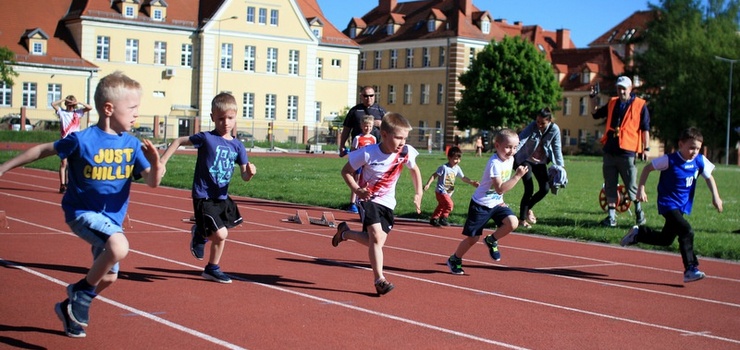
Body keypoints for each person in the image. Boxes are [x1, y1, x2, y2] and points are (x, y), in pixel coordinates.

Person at [0, 71, 165, 338]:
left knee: (109, 277)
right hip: (82, 213)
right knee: (119, 246)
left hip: (111, 220)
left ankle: (68, 307)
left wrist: (156, 164)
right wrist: (4, 167)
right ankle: (82, 293)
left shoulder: (133, 145)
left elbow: (152, 182)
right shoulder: (82, 139)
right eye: (132, 108)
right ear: (109, 109)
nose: (137, 114)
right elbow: (43, 150)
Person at [160, 92, 256, 284]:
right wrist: (163, 161)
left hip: (221, 197)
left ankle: (212, 267)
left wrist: (250, 173)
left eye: (230, 118)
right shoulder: (206, 138)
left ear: (236, 117)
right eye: (221, 118)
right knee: (221, 233)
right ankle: (200, 234)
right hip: (203, 195)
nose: (226, 123)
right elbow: (179, 141)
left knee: (222, 235)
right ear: (212, 117)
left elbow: (244, 176)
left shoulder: (238, 146)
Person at [332, 112, 423, 296]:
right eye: (398, 138)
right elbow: (346, 171)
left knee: (377, 241)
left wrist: (418, 192)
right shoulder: (367, 153)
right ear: (384, 135)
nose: (402, 142)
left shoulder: (406, 152)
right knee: (375, 236)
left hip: (388, 203)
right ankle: (379, 279)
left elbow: (415, 170)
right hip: (368, 199)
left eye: (405, 138)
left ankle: (345, 233)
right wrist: (357, 190)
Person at [620, 127, 722, 283]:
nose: (694, 151)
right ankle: (690, 268)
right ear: (681, 144)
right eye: (691, 147)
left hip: (682, 206)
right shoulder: (669, 160)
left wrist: (716, 197)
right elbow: (647, 168)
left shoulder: (699, 160)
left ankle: (638, 234)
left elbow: (709, 177)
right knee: (687, 231)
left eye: (698, 148)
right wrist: (641, 189)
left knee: (665, 239)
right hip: (668, 204)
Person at [446, 129, 528, 275]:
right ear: (497, 146)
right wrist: (517, 177)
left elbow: (499, 191)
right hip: (480, 205)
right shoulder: (494, 163)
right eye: (508, 147)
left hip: (496, 203)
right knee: (473, 238)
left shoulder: (510, 159)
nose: (511, 151)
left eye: (515, 147)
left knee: (513, 223)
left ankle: (491, 240)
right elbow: (500, 188)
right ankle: (455, 259)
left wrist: (501, 200)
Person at [592, 76, 650, 227]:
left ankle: (639, 214)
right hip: (610, 149)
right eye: (619, 88)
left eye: (624, 88)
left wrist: (646, 148)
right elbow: (596, 114)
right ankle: (611, 218)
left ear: (630, 89)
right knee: (610, 184)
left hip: (628, 151)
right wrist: (593, 98)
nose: (621, 91)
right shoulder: (612, 102)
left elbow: (645, 129)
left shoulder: (640, 105)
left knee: (631, 185)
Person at [514, 107, 564, 228]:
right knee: (529, 188)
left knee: (545, 188)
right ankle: (522, 220)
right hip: (526, 159)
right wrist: (512, 152)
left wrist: (561, 166)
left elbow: (557, 148)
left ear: (550, 121)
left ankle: (528, 208)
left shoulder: (554, 129)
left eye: (543, 123)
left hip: (541, 162)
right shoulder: (532, 126)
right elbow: (521, 139)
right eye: (537, 121)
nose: (539, 125)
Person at [339, 86, 386, 213]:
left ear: (374, 96)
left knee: (374, 176)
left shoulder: (380, 110)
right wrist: (342, 145)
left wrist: (379, 124)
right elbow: (347, 129)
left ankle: (372, 201)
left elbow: (389, 127)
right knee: (356, 176)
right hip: (359, 149)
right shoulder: (355, 111)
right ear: (361, 96)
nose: (368, 98)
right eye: (365, 96)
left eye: (371, 95)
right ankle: (353, 202)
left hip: (376, 149)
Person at [423, 146, 479, 227]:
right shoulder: (444, 168)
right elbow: (434, 175)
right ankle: (443, 218)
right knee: (450, 205)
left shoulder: (457, 168)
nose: (457, 161)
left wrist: (472, 182)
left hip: (449, 192)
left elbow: (463, 178)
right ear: (449, 158)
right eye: (455, 159)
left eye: (459, 159)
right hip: (441, 191)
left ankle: (434, 219)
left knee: (442, 205)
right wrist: (428, 184)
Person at [51, 95, 93, 193]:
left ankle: (71, 184)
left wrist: (79, 103)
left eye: (72, 105)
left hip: (75, 141)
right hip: (65, 141)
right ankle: (62, 185)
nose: (71, 107)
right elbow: (53, 104)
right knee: (63, 163)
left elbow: (89, 108)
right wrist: (64, 100)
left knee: (73, 164)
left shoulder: (77, 113)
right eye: (69, 105)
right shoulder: (62, 112)